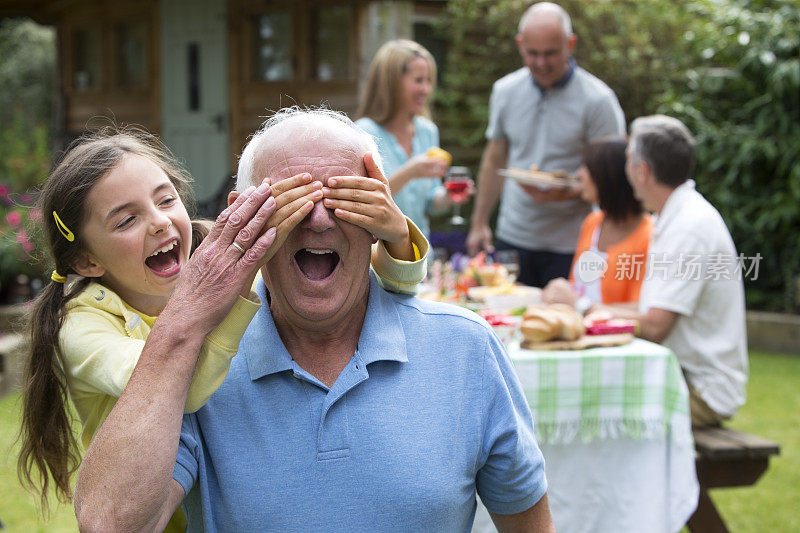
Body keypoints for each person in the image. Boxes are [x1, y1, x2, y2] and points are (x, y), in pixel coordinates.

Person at [72, 108, 555, 532]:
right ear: (243, 216)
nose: (318, 220)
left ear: (377, 214)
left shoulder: (464, 348)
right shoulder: (201, 369)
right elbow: (110, 524)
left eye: (344, 196)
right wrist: (186, 322)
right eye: (289, 201)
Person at [17, 128, 430, 524]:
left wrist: (393, 234)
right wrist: (223, 294)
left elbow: (384, 288)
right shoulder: (81, 327)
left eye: (166, 200)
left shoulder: (208, 255)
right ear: (88, 262)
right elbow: (179, 385)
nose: (159, 222)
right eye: (126, 221)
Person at [594, 115, 748, 427]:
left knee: (592, 407)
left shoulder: (688, 228)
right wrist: (590, 310)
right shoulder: (678, 217)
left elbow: (654, 326)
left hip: (700, 392)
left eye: (628, 161)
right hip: (682, 377)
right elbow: (652, 312)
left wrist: (593, 314)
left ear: (642, 170)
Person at [466, 2, 625, 288]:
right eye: (532, 53)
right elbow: (495, 158)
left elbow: (613, 179)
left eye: (550, 53)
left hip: (572, 243)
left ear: (570, 44)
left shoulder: (599, 100)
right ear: (520, 45)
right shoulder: (504, 91)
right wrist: (479, 223)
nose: (541, 63)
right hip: (513, 236)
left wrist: (566, 193)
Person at [542, 136, 653, 313]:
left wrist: (580, 305)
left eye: (587, 168)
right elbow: (575, 288)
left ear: (607, 177)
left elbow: (641, 310)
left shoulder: (649, 236)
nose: (579, 174)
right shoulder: (592, 223)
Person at [356, 39, 453, 238]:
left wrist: (448, 196)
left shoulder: (427, 131)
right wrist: (411, 171)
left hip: (420, 259)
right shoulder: (363, 133)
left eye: (428, 81)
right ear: (391, 83)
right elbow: (363, 201)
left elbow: (431, 202)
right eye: (418, 81)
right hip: (378, 261)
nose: (426, 89)